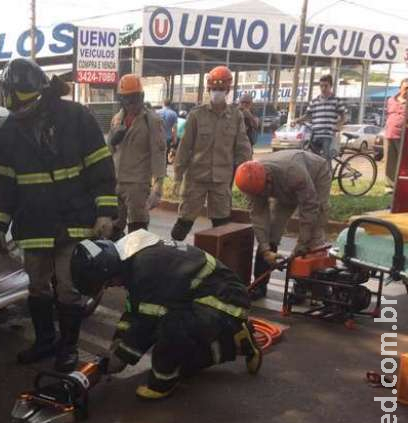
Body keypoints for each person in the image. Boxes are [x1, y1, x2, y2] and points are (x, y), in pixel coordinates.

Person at [0, 58, 118, 372]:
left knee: (68, 287)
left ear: (29, 91)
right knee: (36, 287)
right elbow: (5, 183)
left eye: (11, 93)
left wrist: (105, 212)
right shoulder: (9, 130)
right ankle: (45, 341)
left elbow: (102, 169)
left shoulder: (75, 117)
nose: (8, 102)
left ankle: (68, 348)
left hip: (72, 220)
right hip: (33, 222)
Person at [70, 230, 261, 400]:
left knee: (170, 327)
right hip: (205, 296)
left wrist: (119, 359)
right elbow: (134, 311)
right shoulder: (131, 257)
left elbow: (144, 324)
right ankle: (237, 337)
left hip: (225, 303)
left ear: (109, 270)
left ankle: (165, 381)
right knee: (169, 328)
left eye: (109, 283)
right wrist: (117, 345)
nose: (113, 286)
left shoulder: (145, 269)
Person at [234, 150, 332, 300]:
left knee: (313, 234)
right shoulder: (252, 182)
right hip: (285, 188)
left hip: (315, 175)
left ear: (268, 179)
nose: (260, 196)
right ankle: (259, 286)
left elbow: (310, 208)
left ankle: (306, 285)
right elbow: (259, 216)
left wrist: (302, 244)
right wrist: (266, 250)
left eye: (262, 192)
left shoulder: (294, 174)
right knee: (271, 232)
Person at [171, 66, 252, 241]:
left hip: (221, 180)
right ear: (208, 89)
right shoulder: (196, 115)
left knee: (221, 226)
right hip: (196, 178)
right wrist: (177, 177)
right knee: (184, 222)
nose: (217, 92)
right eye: (214, 89)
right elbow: (184, 148)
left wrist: (245, 173)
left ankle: (218, 264)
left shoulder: (236, 117)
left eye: (221, 89)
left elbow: (242, 147)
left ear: (228, 90)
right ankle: (172, 254)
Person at [107, 75, 166, 234]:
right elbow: (109, 153)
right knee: (112, 229)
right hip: (116, 183)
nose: (132, 104)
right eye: (127, 99)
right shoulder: (116, 120)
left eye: (135, 98)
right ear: (122, 100)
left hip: (137, 184)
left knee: (137, 231)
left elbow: (158, 154)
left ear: (141, 97)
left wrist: (158, 187)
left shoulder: (152, 121)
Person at [295, 74, 347, 163]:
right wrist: (297, 120)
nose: (323, 88)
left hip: (328, 135)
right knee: (313, 159)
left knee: (325, 160)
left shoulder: (336, 100)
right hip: (315, 135)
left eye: (326, 86)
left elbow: (344, 116)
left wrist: (338, 125)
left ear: (331, 86)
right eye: (321, 86)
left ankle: (328, 176)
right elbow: (307, 115)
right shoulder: (314, 101)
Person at [384, 78, 408, 194]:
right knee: (389, 161)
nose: (407, 91)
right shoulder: (391, 100)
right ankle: (389, 185)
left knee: (403, 163)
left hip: (403, 136)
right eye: (405, 88)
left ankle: (402, 186)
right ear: (400, 88)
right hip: (389, 133)